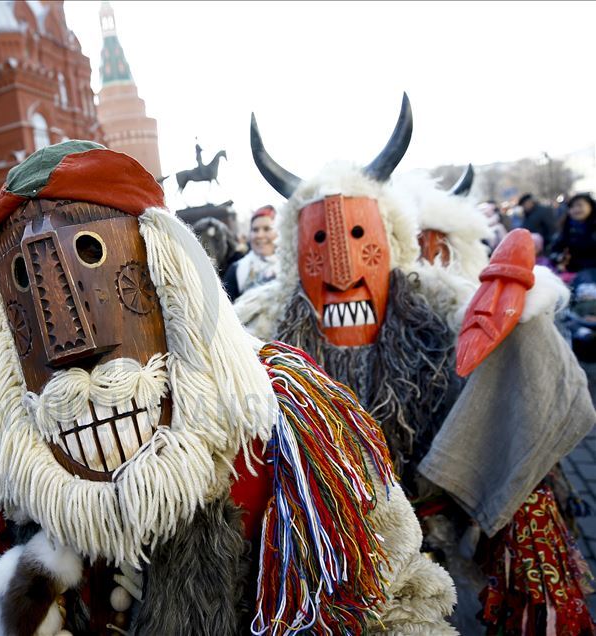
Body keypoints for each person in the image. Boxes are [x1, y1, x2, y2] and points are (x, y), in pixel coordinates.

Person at [0, 140, 455, 634]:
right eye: (25, 279)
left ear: (170, 275)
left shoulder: (283, 417)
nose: (75, 344)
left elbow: (390, 594)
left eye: (92, 254)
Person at [237, 94, 596, 633]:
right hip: (317, 540)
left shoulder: (437, 301)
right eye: (320, 242)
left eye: (359, 238)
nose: (341, 275)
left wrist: (520, 316)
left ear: (391, 240)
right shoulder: (263, 320)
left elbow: (516, 355)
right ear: (295, 249)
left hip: (431, 521)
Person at [223, 205, 280, 300]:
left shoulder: (292, 266)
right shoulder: (237, 269)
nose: (260, 235)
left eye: (267, 229)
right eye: (255, 230)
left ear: (278, 232)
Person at [550, 192, 596, 273]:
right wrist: (560, 257)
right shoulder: (566, 228)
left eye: (579, 205)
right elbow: (553, 252)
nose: (576, 209)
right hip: (572, 275)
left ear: (591, 206)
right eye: (572, 206)